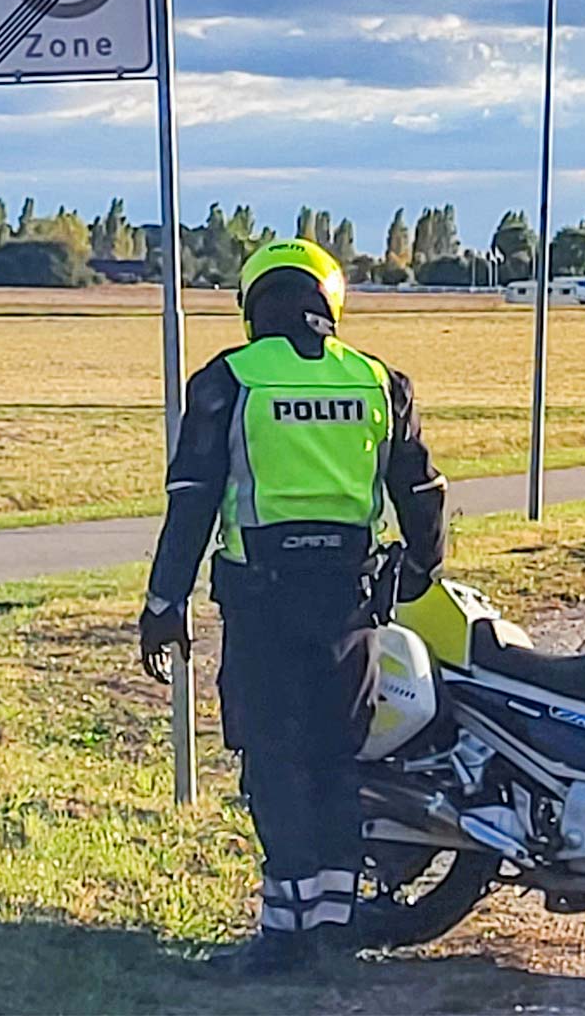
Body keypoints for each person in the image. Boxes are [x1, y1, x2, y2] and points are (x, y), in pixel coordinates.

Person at [137, 239, 447, 974]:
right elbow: (424, 494)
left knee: (274, 761)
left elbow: (192, 503)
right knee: (338, 758)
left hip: (263, 602)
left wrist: (162, 602)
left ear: (252, 305)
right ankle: (337, 921)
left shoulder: (229, 380)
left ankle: (286, 933)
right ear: (329, 301)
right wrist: (420, 573)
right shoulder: (379, 382)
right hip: (350, 604)